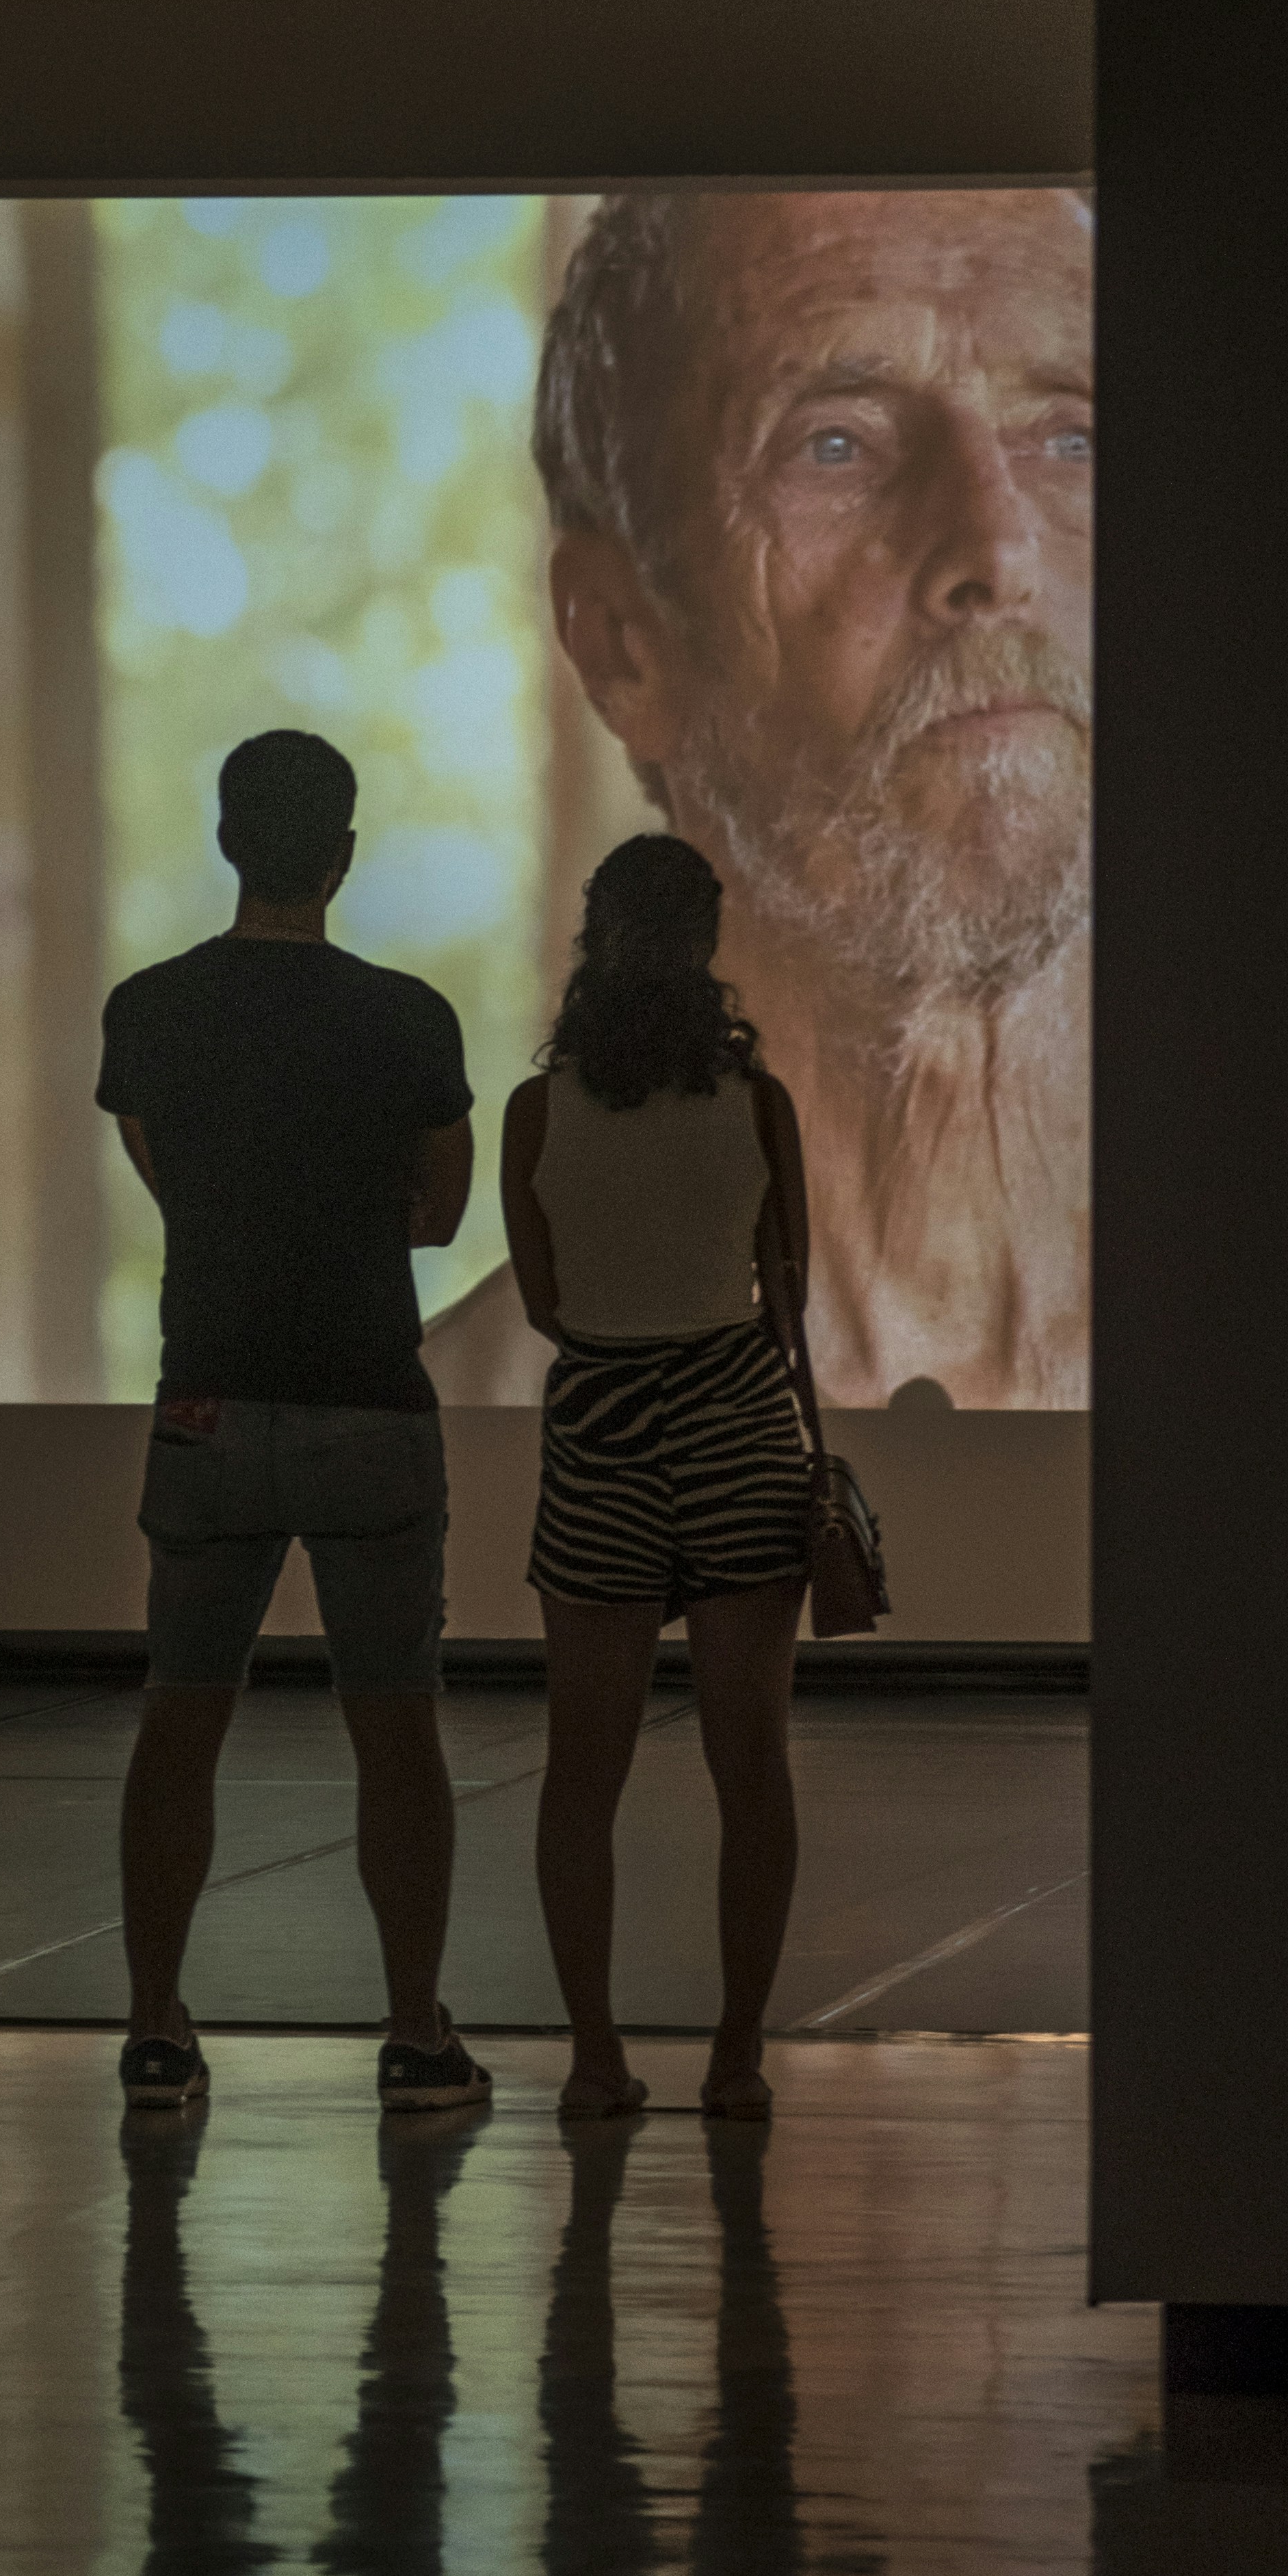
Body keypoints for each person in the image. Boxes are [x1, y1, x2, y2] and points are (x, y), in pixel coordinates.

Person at [429, 184, 1092, 1413]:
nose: (999, 552)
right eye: (835, 444)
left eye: (1073, 438)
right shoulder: (465, 1442)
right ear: (624, 642)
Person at [98, 727, 492, 2120]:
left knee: (178, 1725)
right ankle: (413, 2035)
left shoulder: (144, 1013)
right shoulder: (409, 1022)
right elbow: (441, 1215)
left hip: (206, 1402)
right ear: (340, 855)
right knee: (396, 1734)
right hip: (367, 1409)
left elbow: (169, 1181)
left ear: (226, 844)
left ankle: (155, 2030)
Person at [501, 833, 815, 2122]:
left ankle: (594, 2056)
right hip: (740, 1428)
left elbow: (544, 1301)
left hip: (603, 1436)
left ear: (593, 940)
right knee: (755, 1761)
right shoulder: (758, 1105)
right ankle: (737, 2056)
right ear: (706, 946)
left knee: (585, 1771)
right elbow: (790, 1294)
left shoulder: (538, 1111)